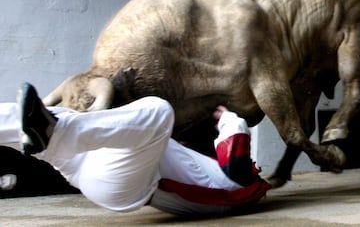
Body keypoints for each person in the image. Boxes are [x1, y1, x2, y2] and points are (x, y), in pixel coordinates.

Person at [3, 82, 271, 215]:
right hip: (97, 171)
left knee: (158, 112)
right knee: (57, 116)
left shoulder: (236, 183)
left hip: (126, 183)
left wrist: (228, 117)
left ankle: (52, 133)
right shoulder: (219, 185)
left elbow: (236, 138)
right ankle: (49, 132)